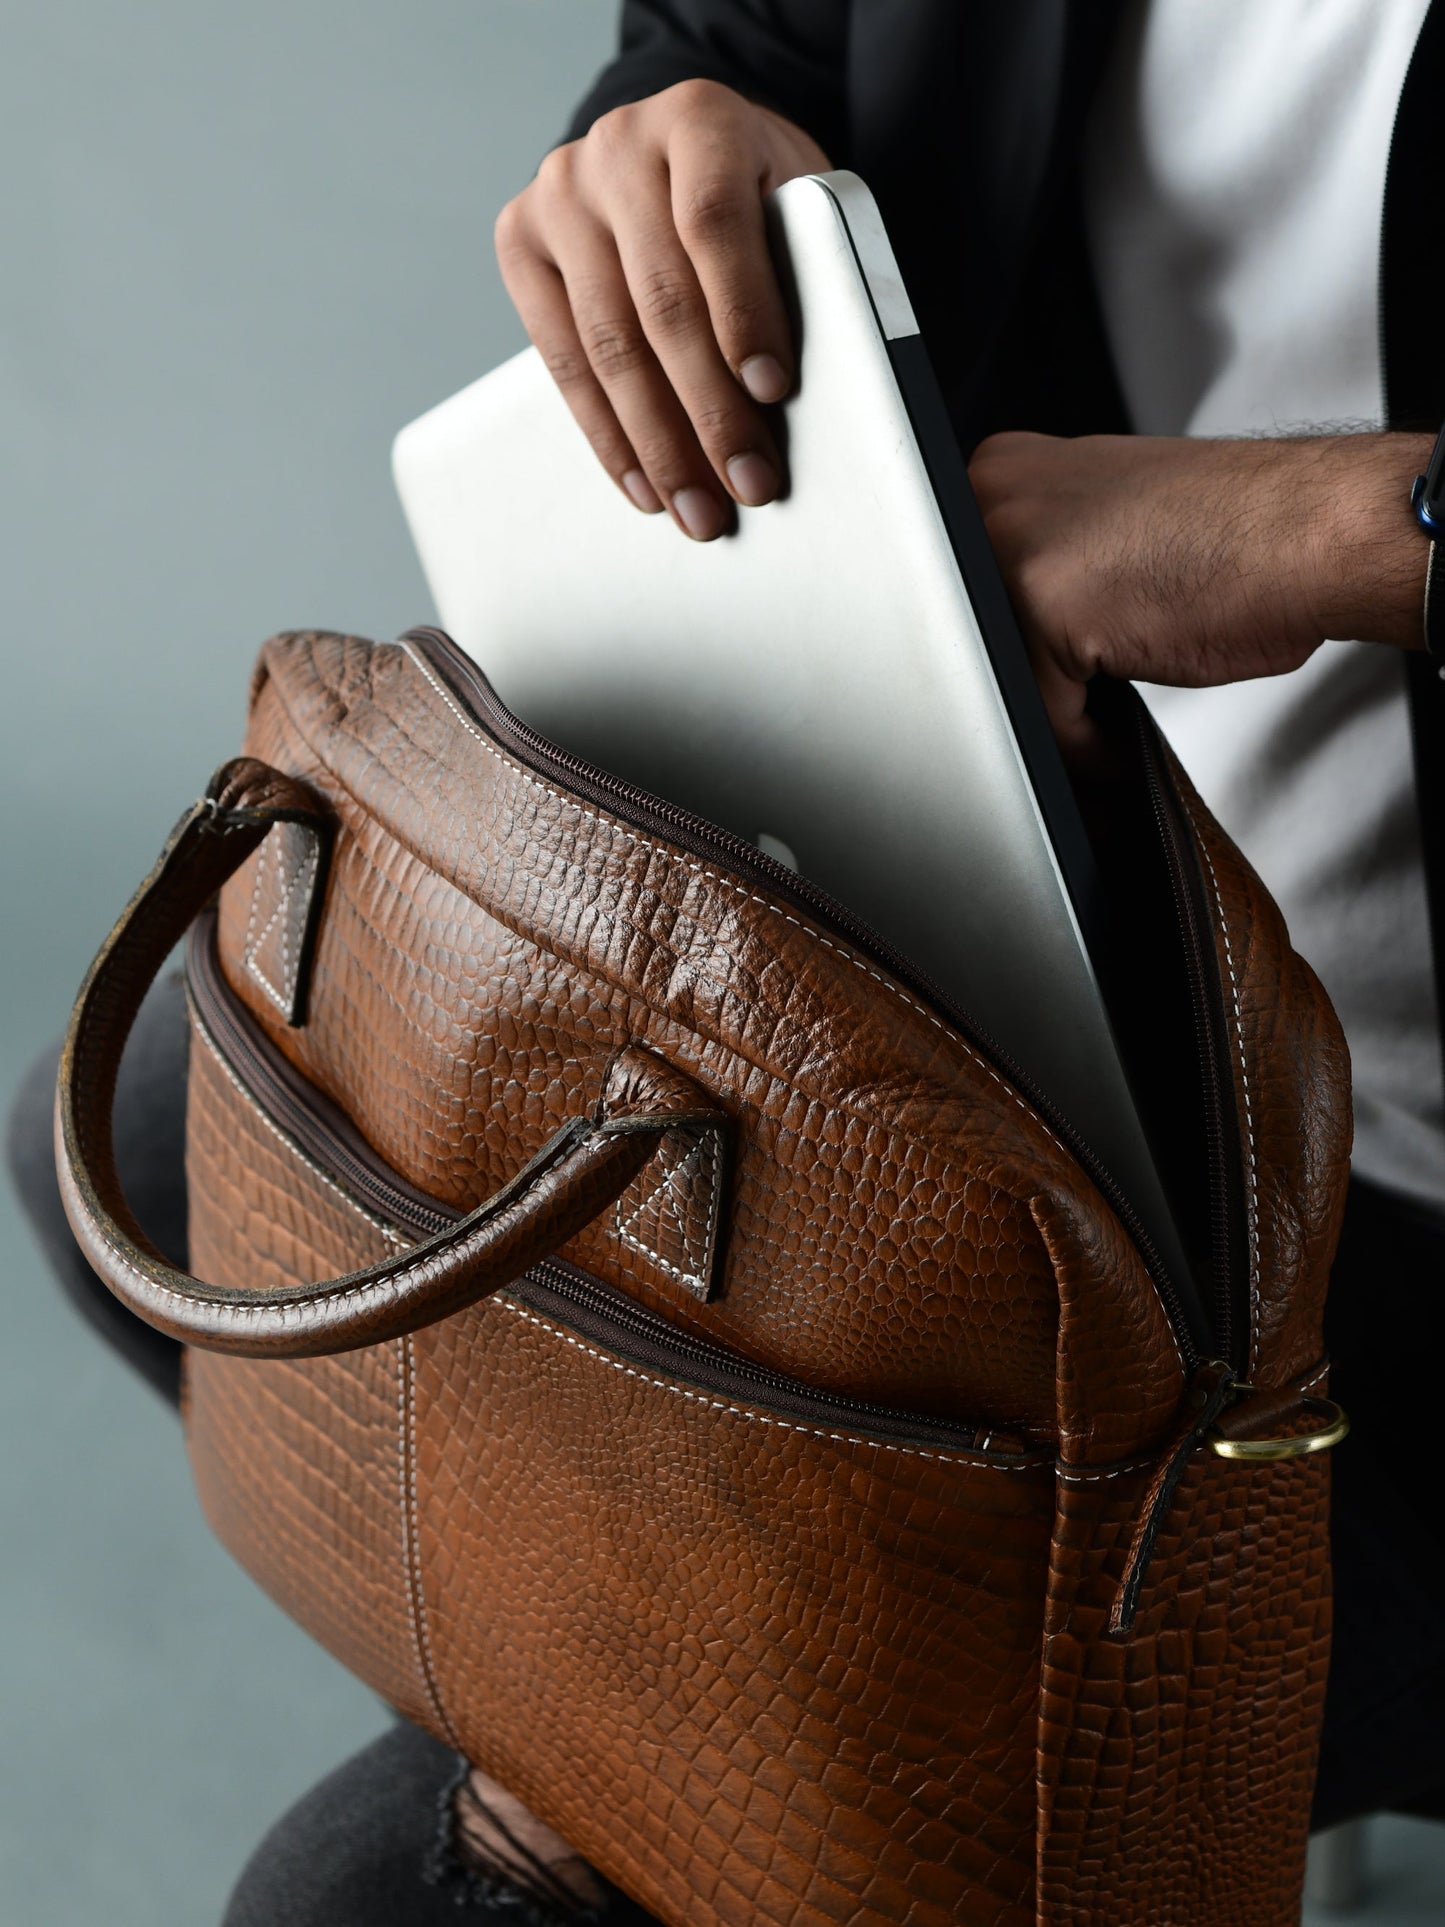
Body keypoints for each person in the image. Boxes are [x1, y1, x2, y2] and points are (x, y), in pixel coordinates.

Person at [10, 2, 1444, 1919]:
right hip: (1021, 963)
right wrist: (667, 155)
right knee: (150, 1125)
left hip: (1384, 1230)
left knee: (369, 1896)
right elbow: (736, 38)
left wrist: (1344, 527)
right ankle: (700, 1773)